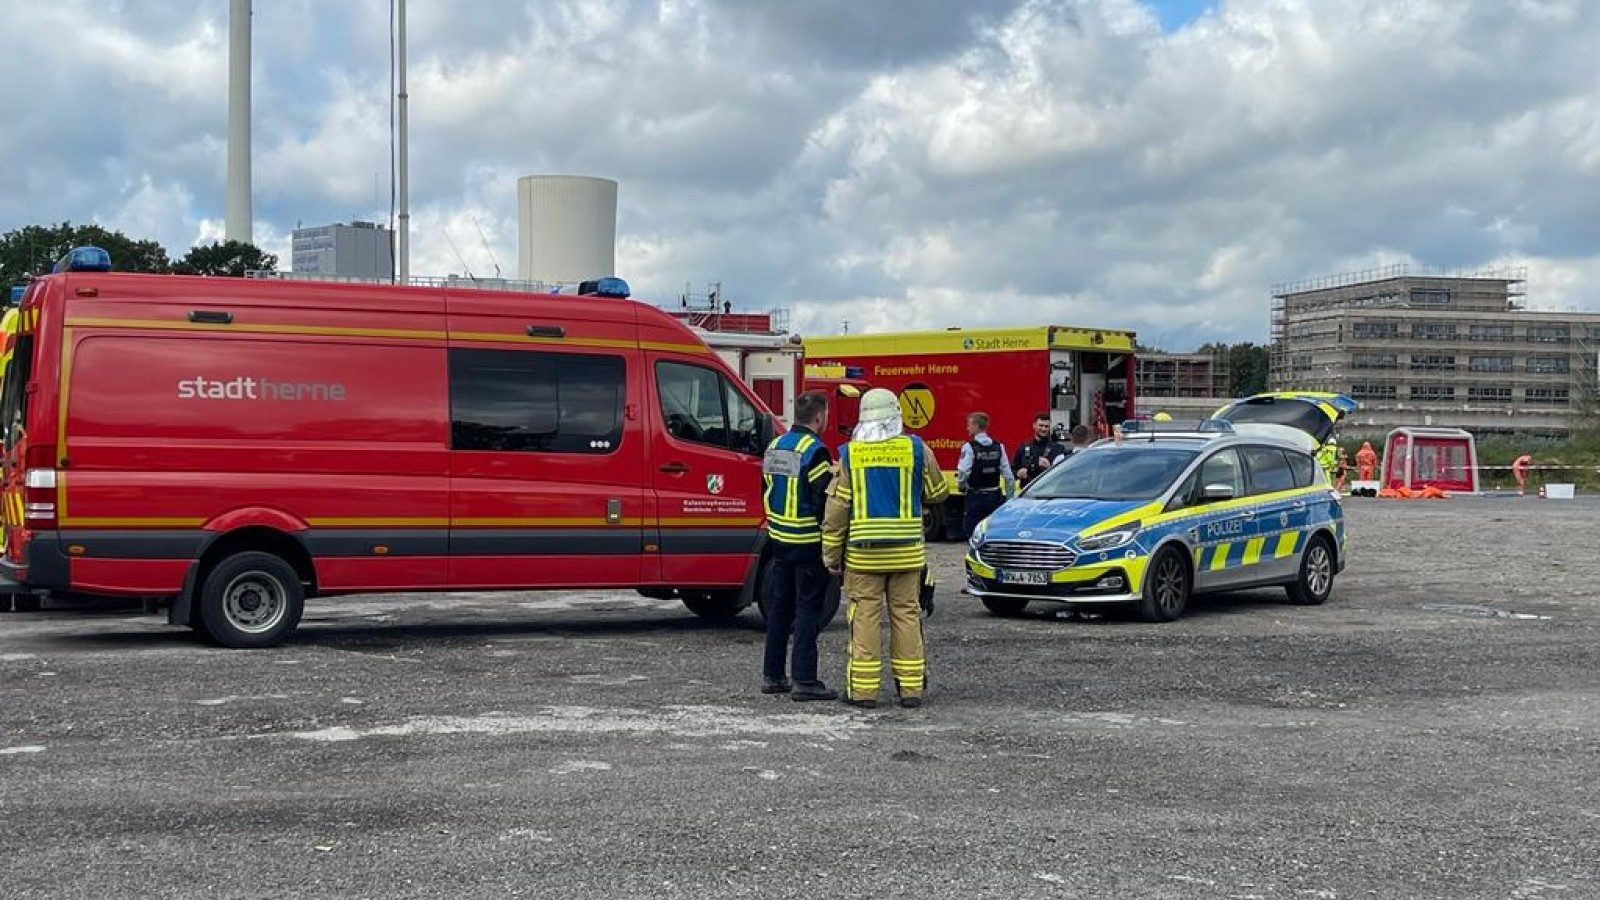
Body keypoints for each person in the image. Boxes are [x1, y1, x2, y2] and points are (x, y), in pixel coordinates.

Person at [822, 388, 949, 709]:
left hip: (864, 555)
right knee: (906, 616)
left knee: (864, 617)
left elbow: (837, 510)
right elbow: (938, 491)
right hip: (907, 553)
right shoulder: (916, 448)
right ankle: (911, 690)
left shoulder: (851, 454)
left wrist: (830, 555)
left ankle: (864, 692)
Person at [759, 390, 838, 701]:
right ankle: (804, 679)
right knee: (808, 611)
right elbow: (822, 501)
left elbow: (765, 488)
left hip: (779, 539)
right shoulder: (815, 451)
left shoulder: (775, 446)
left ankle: (773, 675)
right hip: (807, 542)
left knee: (781, 608)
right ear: (819, 416)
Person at [956, 411, 1015, 538]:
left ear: (976, 426)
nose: (967, 428)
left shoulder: (969, 447)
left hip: (975, 497)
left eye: (969, 425)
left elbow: (963, 471)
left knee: (973, 534)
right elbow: (1009, 476)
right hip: (994, 497)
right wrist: (1009, 499)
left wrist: (961, 486)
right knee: (992, 534)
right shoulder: (999, 446)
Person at [1012, 412, 1067, 490]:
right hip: (1027, 491)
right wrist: (1018, 473)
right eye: (1041, 425)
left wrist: (1050, 468)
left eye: (1046, 426)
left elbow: (1064, 474)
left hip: (1049, 491)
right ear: (1034, 426)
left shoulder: (1058, 449)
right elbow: (1012, 470)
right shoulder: (1023, 447)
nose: (1043, 429)